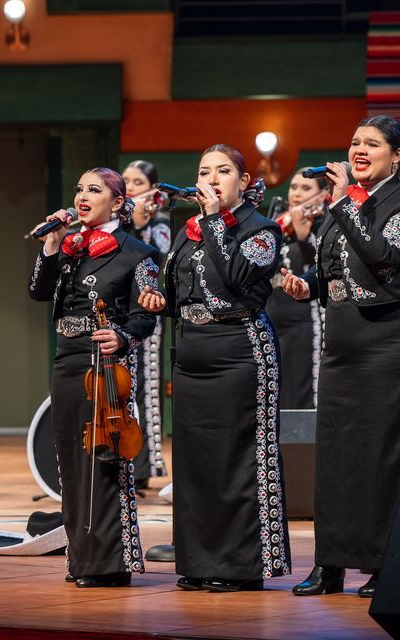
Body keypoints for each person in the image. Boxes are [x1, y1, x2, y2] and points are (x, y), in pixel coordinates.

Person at [282, 115, 400, 598]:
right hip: (344, 340)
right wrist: (309, 286)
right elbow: (337, 268)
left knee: (388, 452)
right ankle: (330, 562)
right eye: (355, 142)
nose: (359, 150)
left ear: (397, 155)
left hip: (393, 337)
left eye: (372, 144)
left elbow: (382, 256)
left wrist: (343, 201)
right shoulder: (345, 204)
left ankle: (387, 561)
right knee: (336, 452)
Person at [138, 144, 291, 592]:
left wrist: (212, 222)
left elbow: (237, 276)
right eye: (204, 171)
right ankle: (201, 560)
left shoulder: (261, 228)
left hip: (240, 350)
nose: (211, 179)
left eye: (223, 171)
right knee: (197, 462)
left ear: (243, 181)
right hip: (193, 354)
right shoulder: (189, 231)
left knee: (238, 459)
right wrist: (160, 301)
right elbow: (181, 291)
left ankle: (241, 566)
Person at [28, 167, 159, 588]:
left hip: (105, 366)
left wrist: (122, 337)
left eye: (94, 190)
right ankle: (82, 558)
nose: (82, 196)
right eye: (80, 189)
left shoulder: (137, 253)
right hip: (67, 360)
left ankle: (111, 562)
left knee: (105, 461)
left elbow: (145, 318)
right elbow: (38, 291)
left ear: (118, 203)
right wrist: (51, 245)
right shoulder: (69, 247)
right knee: (70, 459)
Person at [122, 159, 171, 485]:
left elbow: (156, 260)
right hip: (119, 310)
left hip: (147, 308)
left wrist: (140, 225)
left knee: (146, 388)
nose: (129, 187)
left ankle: (145, 466)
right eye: (125, 180)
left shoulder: (161, 222)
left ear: (152, 189)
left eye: (137, 182)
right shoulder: (117, 221)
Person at [265, 170, 329, 409]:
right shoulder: (280, 225)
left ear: (322, 194)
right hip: (274, 318)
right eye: (294, 187)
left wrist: (304, 238)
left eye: (306, 188)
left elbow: (323, 268)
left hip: (305, 321)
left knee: (303, 389)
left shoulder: (324, 223)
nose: (297, 193)